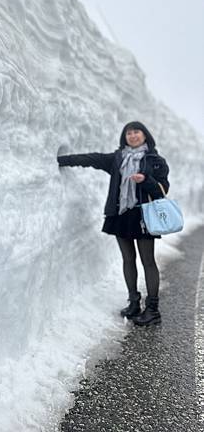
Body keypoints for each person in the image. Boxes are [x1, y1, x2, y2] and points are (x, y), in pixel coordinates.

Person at [57, 121, 169, 326]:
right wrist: (59, 160)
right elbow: (91, 159)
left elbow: (163, 189)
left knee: (148, 261)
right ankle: (134, 302)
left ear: (145, 136)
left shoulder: (155, 161)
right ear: (124, 137)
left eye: (137, 132)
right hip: (121, 215)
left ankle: (153, 310)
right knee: (128, 259)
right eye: (129, 133)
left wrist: (145, 179)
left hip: (144, 215)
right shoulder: (117, 159)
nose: (133, 136)